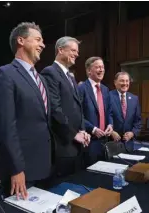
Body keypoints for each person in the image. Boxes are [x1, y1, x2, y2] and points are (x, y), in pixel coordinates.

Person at [0, 22, 52, 200]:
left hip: (45, 167)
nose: (42, 45)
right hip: (21, 172)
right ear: (21, 41)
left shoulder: (41, 79)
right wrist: (17, 168)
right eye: (38, 40)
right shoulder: (5, 74)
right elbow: (5, 128)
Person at [41, 36, 90, 177]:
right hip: (63, 144)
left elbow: (78, 107)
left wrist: (83, 130)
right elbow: (55, 109)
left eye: (77, 51)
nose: (77, 54)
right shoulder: (50, 72)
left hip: (77, 143)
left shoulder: (70, 76)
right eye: (73, 50)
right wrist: (74, 134)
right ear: (60, 50)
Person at [78, 57, 113, 165]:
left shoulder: (105, 89)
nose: (101, 70)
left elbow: (109, 112)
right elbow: (78, 115)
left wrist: (110, 125)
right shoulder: (81, 88)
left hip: (105, 140)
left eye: (102, 67)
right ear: (89, 70)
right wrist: (92, 129)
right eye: (97, 67)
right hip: (89, 141)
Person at [109, 72, 142, 153]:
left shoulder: (134, 98)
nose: (125, 83)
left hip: (128, 144)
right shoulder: (108, 96)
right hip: (112, 143)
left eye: (127, 81)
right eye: (122, 81)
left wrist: (132, 133)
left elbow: (138, 121)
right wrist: (111, 132)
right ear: (115, 82)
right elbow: (104, 117)